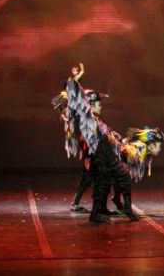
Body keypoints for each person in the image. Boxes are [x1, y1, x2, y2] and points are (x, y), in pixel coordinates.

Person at [61, 63, 137, 223]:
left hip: (105, 155)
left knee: (106, 182)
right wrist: (75, 79)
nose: (101, 106)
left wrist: (117, 139)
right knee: (116, 178)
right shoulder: (88, 118)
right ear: (90, 105)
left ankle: (101, 211)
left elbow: (107, 134)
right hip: (100, 156)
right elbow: (78, 99)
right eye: (98, 104)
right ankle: (110, 213)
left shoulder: (97, 121)